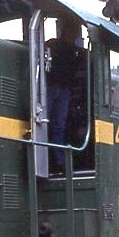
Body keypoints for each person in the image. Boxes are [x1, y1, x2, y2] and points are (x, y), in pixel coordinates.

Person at [46, 23, 80, 172]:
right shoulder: (52, 44)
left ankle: (59, 160)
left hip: (64, 91)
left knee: (59, 126)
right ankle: (47, 158)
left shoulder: (75, 52)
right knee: (45, 122)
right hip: (50, 88)